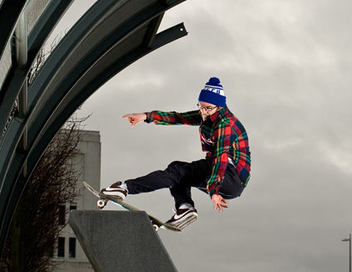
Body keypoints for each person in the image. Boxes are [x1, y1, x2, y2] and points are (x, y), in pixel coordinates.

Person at [101, 77, 251, 229]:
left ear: (219, 107)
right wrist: (146, 116)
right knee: (178, 170)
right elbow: (178, 118)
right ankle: (185, 207)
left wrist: (214, 190)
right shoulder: (207, 114)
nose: (203, 112)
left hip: (230, 176)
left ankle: (125, 188)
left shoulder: (225, 124)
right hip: (227, 179)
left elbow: (221, 158)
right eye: (201, 106)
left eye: (208, 108)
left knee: (177, 172)